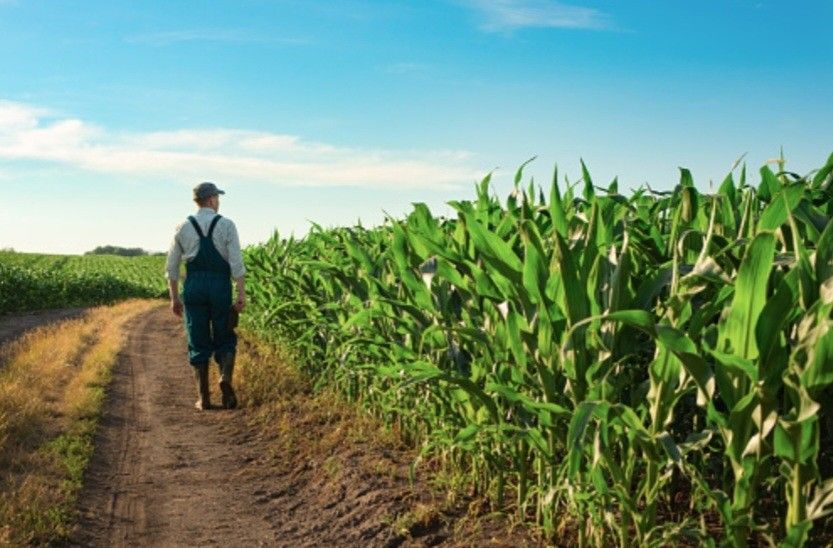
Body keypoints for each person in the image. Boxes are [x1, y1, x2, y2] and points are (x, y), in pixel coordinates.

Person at [165, 182, 246, 410]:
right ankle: (225, 379)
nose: (218, 202)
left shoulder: (182, 227)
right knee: (225, 333)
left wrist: (174, 297)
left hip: (194, 286)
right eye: (217, 198)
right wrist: (241, 294)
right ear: (211, 199)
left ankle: (204, 399)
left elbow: (171, 267)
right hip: (219, 285)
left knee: (197, 338)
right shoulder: (227, 225)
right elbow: (236, 264)